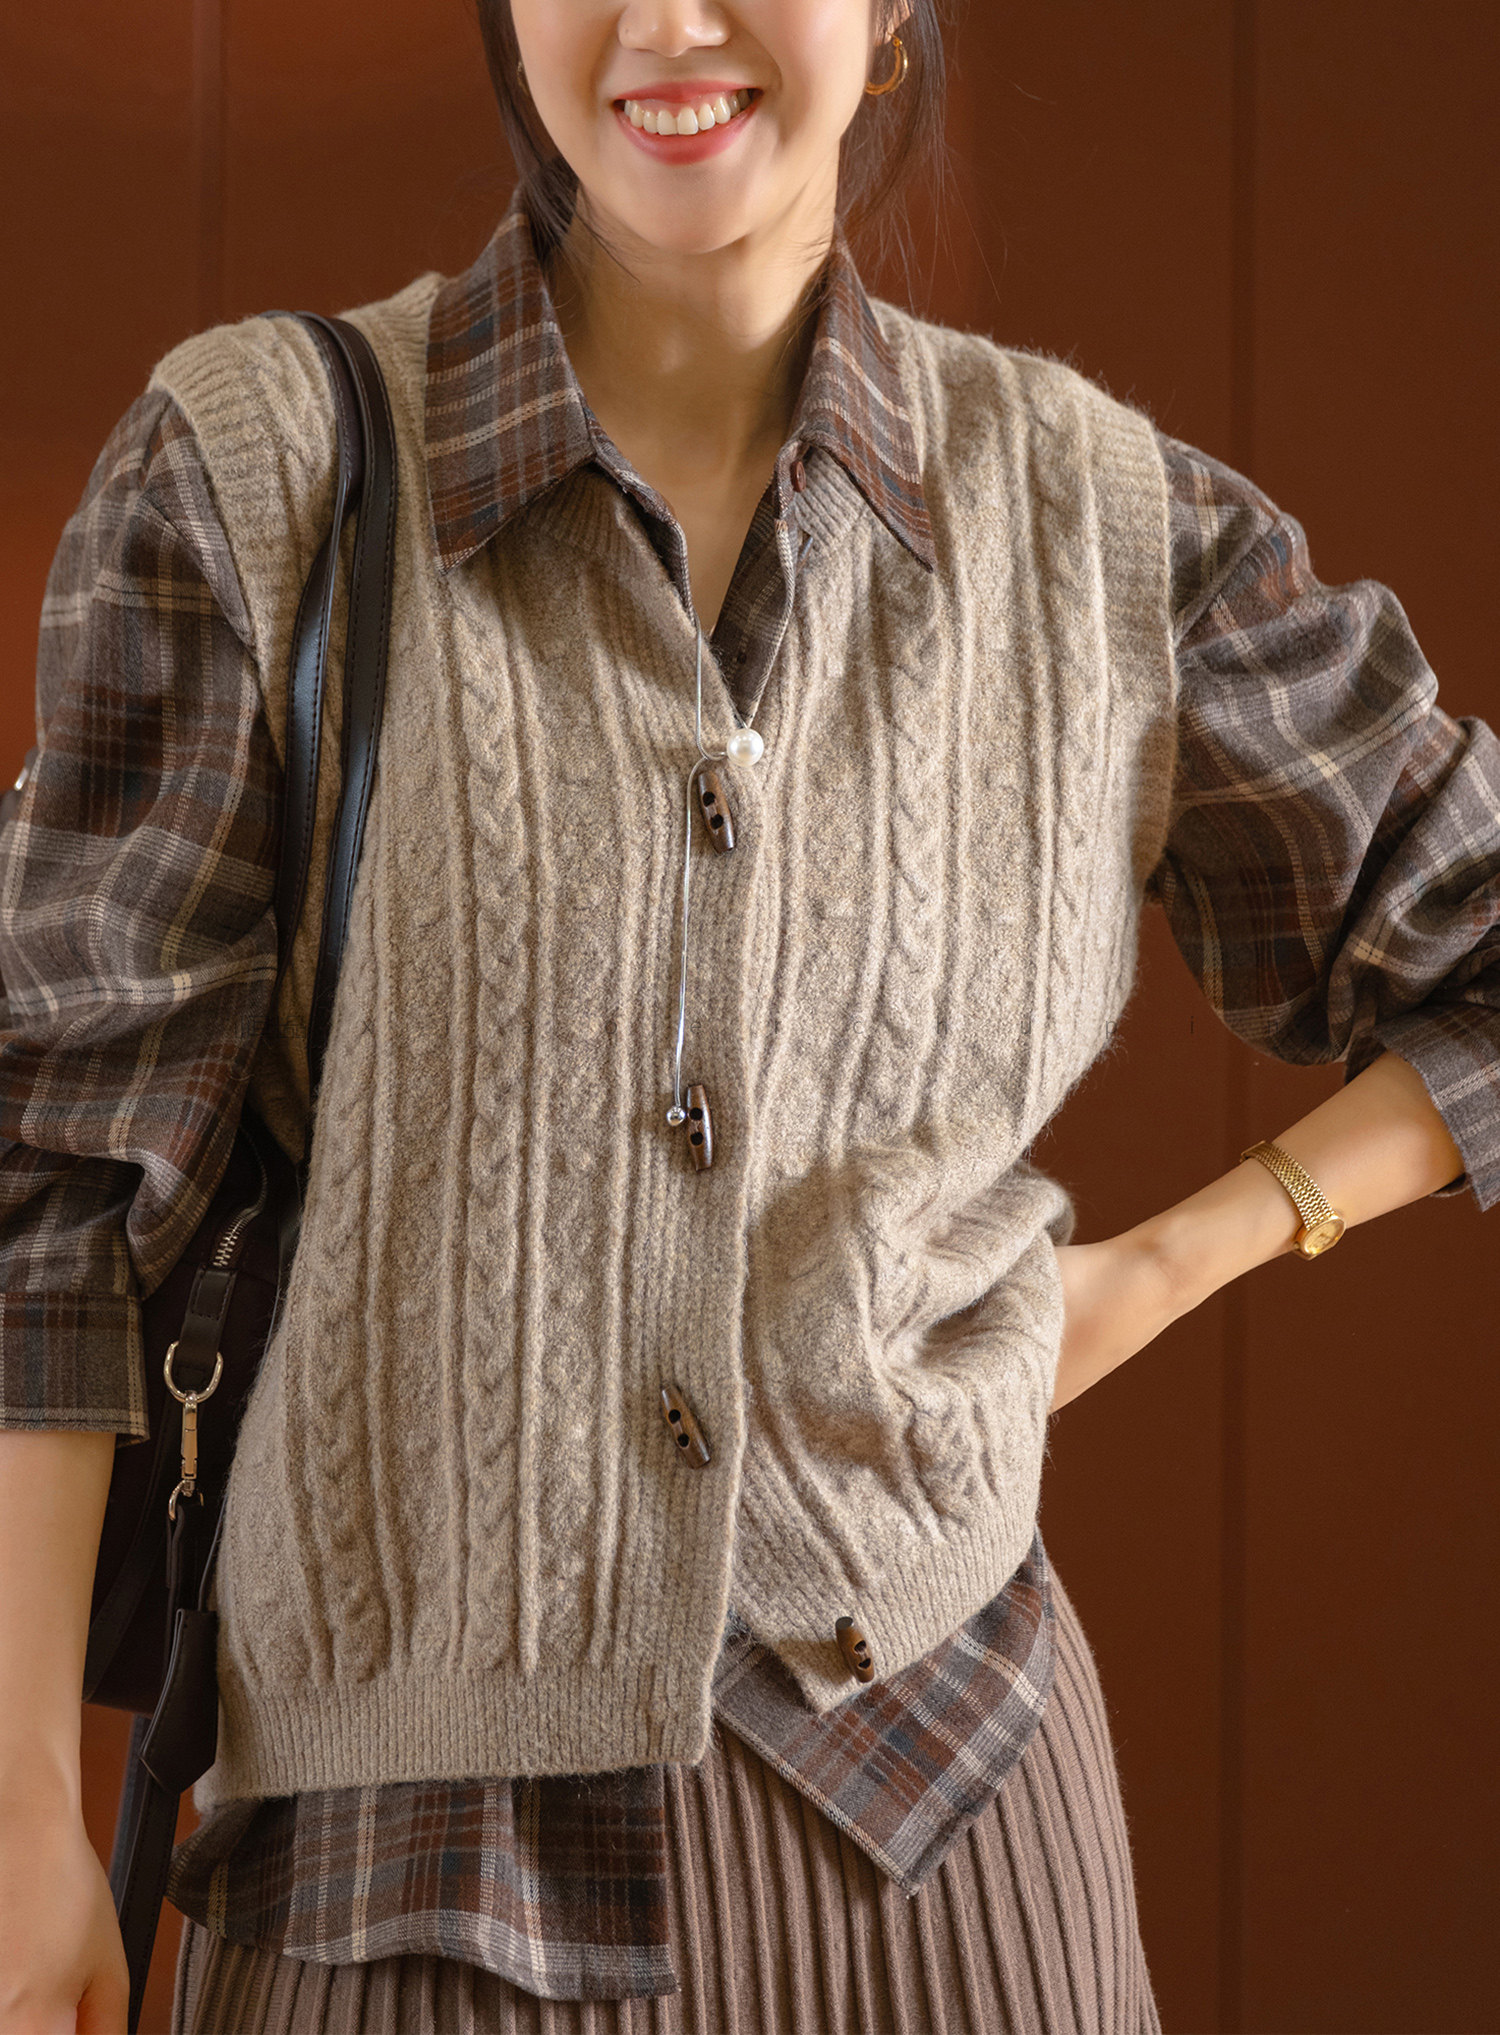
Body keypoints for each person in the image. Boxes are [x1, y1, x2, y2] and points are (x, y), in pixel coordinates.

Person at [2, 3, 1497, 2032]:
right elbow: (55, 1181)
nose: (669, 19)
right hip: (388, 1882)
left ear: (889, 21)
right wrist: (18, 1807)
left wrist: (1174, 1262)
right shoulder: (258, 472)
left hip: (957, 1848)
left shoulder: (1091, 527)